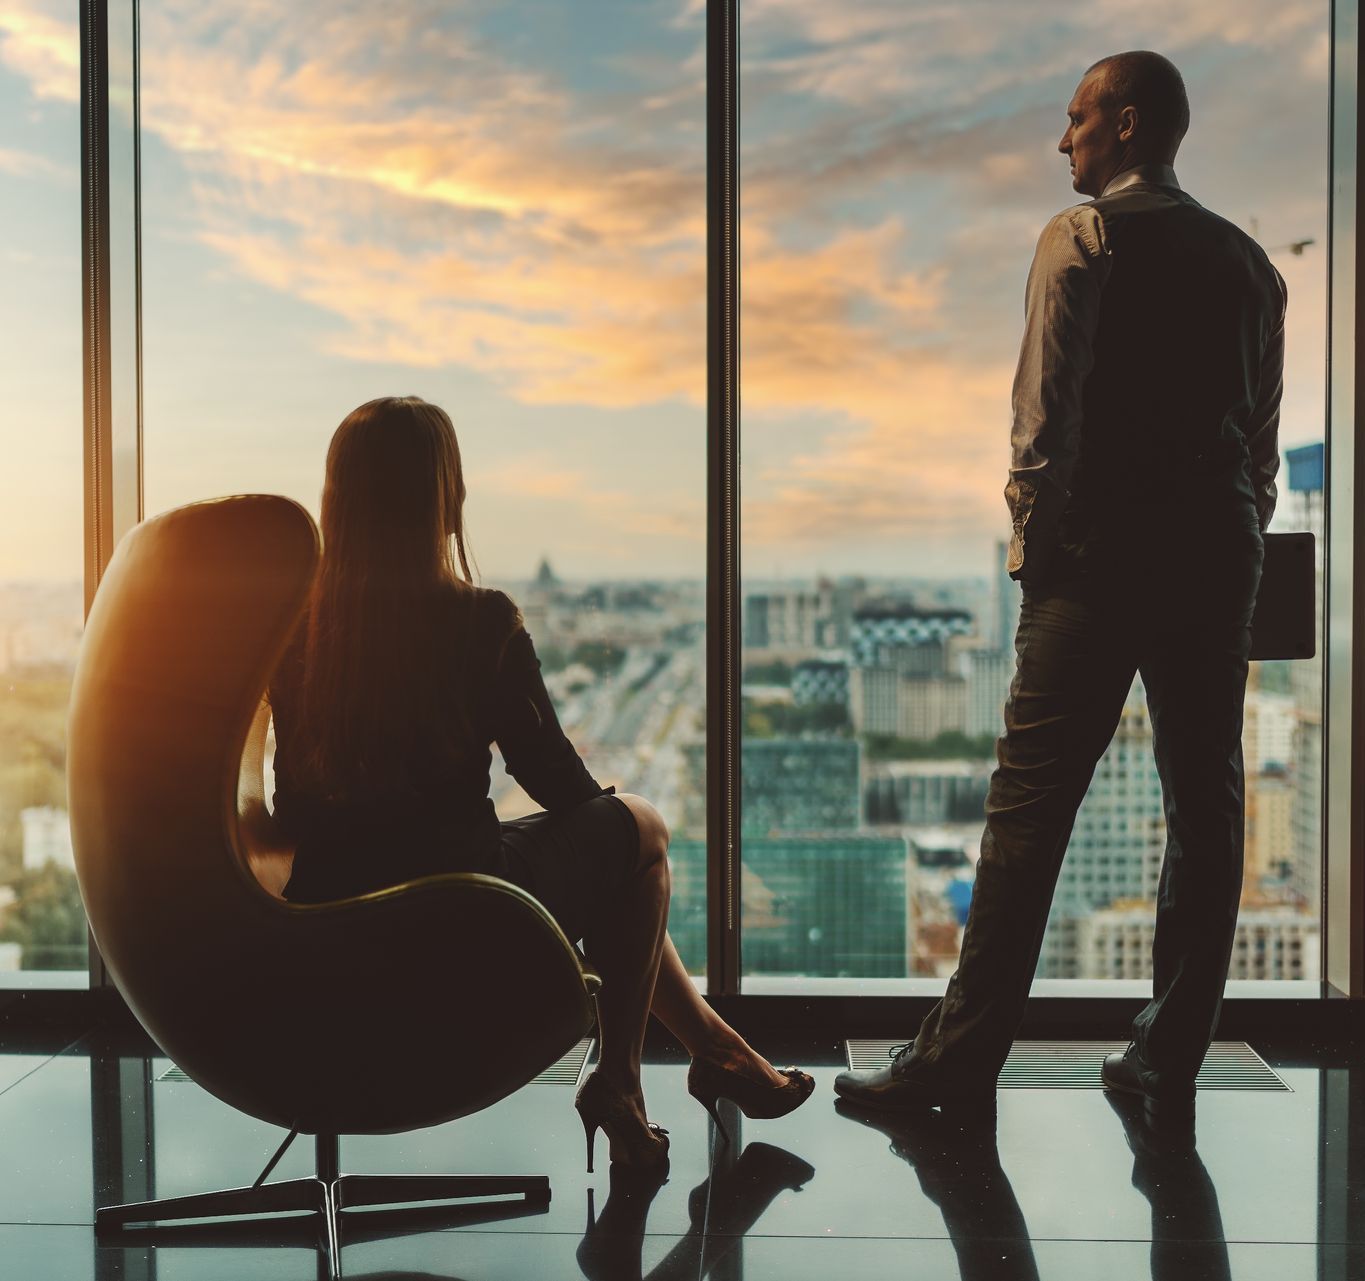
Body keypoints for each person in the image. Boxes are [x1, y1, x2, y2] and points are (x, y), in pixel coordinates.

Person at [835, 51, 1285, 1122]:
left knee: (1029, 811)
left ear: (1125, 125)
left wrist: (1036, 552)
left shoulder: (1079, 238)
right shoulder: (1250, 263)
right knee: (1207, 806)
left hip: (1097, 559)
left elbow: (1045, 417)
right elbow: (1258, 443)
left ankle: (958, 1057)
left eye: (1077, 117)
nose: (1062, 138)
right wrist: (1237, 535)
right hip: (1214, 555)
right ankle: (1167, 1058)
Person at [268, 395, 813, 1173]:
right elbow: (559, 784)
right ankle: (627, 1077)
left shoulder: (296, 628)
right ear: (444, 498)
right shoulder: (478, 621)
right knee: (641, 834)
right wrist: (609, 807)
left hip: (326, 928)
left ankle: (716, 1053)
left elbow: (292, 803)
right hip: (461, 914)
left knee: (624, 850)